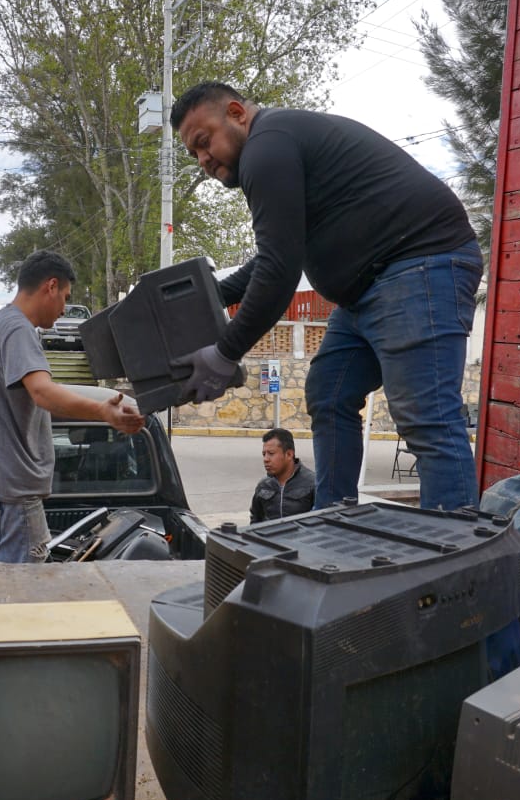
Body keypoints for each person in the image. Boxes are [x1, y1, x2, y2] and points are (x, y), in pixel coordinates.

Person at [171, 81, 481, 512]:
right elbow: (275, 257)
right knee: (330, 393)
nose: (203, 159)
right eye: (193, 154)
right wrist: (214, 295)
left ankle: (456, 560)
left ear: (237, 113)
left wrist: (225, 353)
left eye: (204, 142)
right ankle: (335, 521)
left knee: (427, 419)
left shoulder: (266, 146)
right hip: (365, 292)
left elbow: (280, 274)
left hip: (421, 265)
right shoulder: (275, 149)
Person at [0, 250, 144, 562]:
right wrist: (102, 412)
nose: (64, 309)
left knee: (13, 585)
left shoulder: (0, 325)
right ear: (51, 286)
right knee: (21, 596)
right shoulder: (17, 329)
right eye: (66, 297)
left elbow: (40, 399)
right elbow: (43, 392)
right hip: (10, 490)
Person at [249, 428, 317, 524]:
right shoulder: (263, 485)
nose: (266, 459)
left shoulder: (312, 483)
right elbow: (255, 519)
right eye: (264, 454)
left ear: (289, 454)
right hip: (268, 538)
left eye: (271, 454)